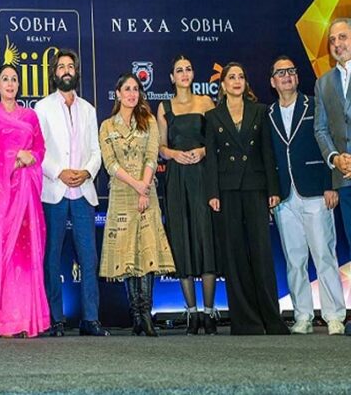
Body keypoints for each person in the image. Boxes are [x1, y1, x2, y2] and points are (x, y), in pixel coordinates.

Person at [204, 62, 289, 335]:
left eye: (241, 76)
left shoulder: (260, 111)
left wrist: (273, 189)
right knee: (234, 255)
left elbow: (267, 152)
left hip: (255, 187)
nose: (237, 81)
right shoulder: (212, 116)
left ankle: (271, 319)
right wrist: (213, 193)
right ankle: (245, 322)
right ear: (223, 84)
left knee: (261, 254)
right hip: (227, 190)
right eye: (231, 77)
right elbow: (211, 159)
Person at [268, 56, 346, 335]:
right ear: (273, 82)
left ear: (297, 77)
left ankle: (334, 315)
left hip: (316, 192)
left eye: (291, 71)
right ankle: (302, 316)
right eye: (281, 73)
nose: (287, 76)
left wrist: (330, 184)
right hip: (285, 197)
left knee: (324, 255)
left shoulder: (314, 105)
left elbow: (329, 143)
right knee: (294, 259)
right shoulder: (268, 114)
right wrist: (272, 193)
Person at [34, 49, 108, 337]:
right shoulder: (42, 108)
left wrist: (87, 172)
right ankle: (55, 319)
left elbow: (96, 151)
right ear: (54, 73)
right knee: (51, 257)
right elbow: (38, 150)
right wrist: (58, 172)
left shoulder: (88, 109)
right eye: (61, 66)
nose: (66, 70)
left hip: (83, 192)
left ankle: (91, 319)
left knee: (89, 258)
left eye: (70, 66)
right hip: (54, 189)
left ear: (76, 72)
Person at [99, 73, 175, 337]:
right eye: (127, 89)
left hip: (147, 193)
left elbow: (152, 156)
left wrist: (144, 186)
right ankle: (136, 317)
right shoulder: (107, 126)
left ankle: (146, 314)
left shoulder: (149, 121)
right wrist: (135, 185)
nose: (132, 93)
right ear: (118, 94)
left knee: (147, 252)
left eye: (136, 89)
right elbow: (110, 163)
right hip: (122, 194)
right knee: (127, 254)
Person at [0, 64, 50, 338]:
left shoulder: (30, 116)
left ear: (18, 85)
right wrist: (14, 158)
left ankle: (30, 320)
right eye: (5, 79)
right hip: (3, 199)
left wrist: (31, 157)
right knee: (8, 256)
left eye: (14, 79)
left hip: (27, 196)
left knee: (27, 254)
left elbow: (40, 148)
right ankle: (9, 320)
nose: (10, 84)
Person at [156, 56, 219, 335]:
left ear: (193, 74)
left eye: (188, 69)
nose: (184, 73)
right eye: (179, 70)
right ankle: (192, 313)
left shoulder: (206, 102)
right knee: (182, 239)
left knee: (205, 237)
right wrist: (173, 154)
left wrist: (203, 151)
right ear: (172, 78)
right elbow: (160, 147)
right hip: (176, 178)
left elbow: (216, 140)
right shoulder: (164, 107)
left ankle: (209, 312)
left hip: (202, 176)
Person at [314, 17, 351, 335]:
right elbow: (320, 128)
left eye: (343, 37)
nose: (337, 44)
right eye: (332, 40)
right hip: (344, 178)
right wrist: (335, 158)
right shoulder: (323, 83)